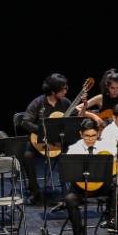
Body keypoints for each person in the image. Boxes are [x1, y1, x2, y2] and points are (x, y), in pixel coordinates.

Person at [20, 73, 73, 204]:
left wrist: (83, 106)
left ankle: (68, 192)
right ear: (53, 91)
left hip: (59, 142)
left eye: (66, 88)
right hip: (40, 140)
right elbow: (25, 122)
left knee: (71, 152)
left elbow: (75, 119)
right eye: (63, 89)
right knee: (27, 155)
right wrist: (43, 130)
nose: (66, 91)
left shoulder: (66, 102)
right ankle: (35, 191)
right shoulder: (38, 103)